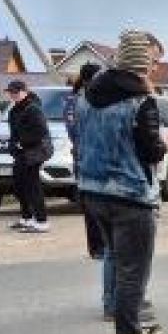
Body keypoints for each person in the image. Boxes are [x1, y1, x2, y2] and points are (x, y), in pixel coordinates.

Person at [77, 29, 168, 334]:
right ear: (142, 64)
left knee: (117, 261)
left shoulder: (86, 96)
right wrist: (164, 145)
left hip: (93, 191)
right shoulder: (141, 102)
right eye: (152, 62)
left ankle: (127, 325)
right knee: (134, 271)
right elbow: (150, 151)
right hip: (130, 195)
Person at [5, 79, 52, 234]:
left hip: (35, 152)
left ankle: (42, 221)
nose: (13, 95)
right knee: (19, 185)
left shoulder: (33, 108)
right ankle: (27, 217)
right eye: (11, 92)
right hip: (21, 153)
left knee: (33, 186)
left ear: (25, 91)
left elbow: (41, 131)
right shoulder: (14, 110)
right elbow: (14, 133)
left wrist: (22, 143)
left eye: (16, 92)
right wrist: (13, 146)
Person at [67, 63, 104, 257]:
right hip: (86, 158)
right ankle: (97, 247)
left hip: (97, 156)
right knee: (92, 205)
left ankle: (103, 245)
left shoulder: (98, 98)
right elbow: (74, 131)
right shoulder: (76, 101)